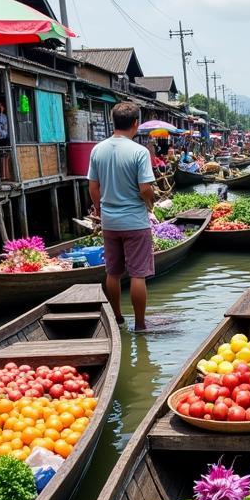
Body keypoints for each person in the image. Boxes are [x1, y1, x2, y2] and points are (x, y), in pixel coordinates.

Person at [87, 101, 156, 329]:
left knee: (113, 273)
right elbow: (145, 189)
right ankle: (139, 324)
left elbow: (93, 188)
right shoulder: (139, 152)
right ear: (135, 123)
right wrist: (150, 201)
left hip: (110, 222)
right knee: (138, 275)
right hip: (135, 221)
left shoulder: (98, 149)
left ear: (113, 122)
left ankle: (116, 318)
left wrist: (99, 209)